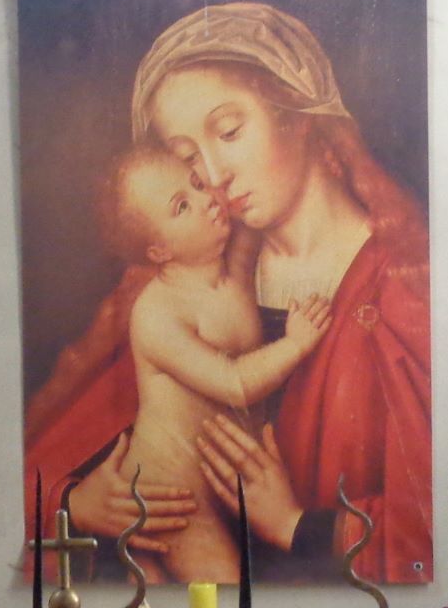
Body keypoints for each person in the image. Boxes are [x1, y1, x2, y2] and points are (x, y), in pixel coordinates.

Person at [25, 0, 432, 584]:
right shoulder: (187, 281)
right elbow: (45, 460)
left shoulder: (400, 294)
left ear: (299, 113)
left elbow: (425, 530)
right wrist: (73, 505)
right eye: (188, 160)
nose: (212, 177)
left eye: (229, 131)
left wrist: (295, 526)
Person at [95, 144, 333, 582]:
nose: (206, 200)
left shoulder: (232, 267)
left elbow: (264, 218)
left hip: (220, 492)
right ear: (159, 251)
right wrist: (297, 344)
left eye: (197, 183)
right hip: (171, 499)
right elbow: (234, 384)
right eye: (182, 206)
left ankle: (144, 575)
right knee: (226, 594)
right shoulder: (158, 313)